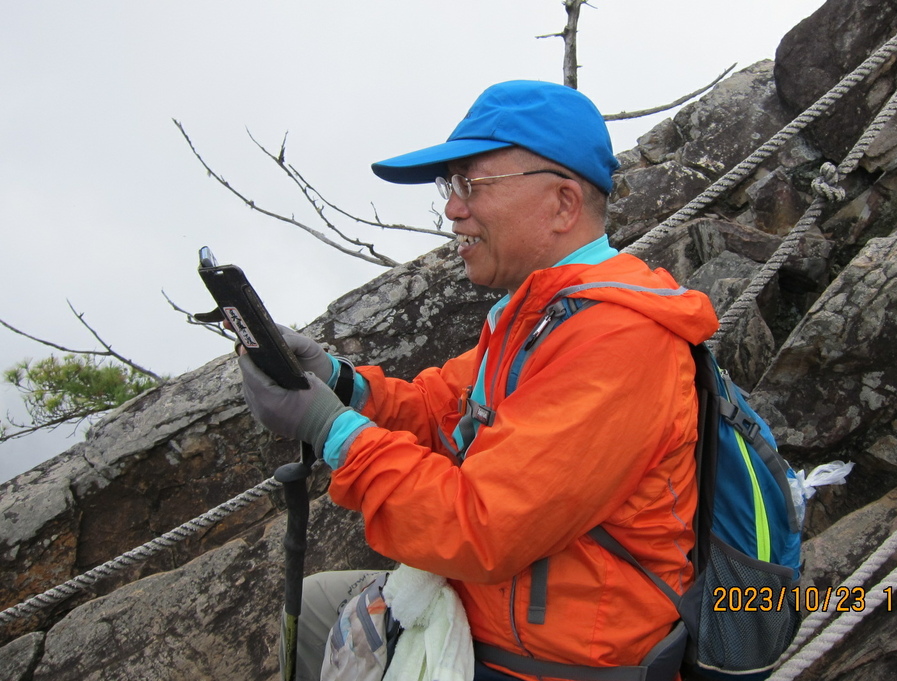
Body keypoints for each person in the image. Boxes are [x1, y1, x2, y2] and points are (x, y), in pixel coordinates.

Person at [239, 80, 719, 681]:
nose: (451, 208)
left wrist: (333, 432)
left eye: (471, 183)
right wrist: (342, 385)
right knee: (313, 606)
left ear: (563, 204)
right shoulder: (542, 315)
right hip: (492, 615)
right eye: (450, 186)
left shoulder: (618, 340)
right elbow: (444, 411)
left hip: (549, 663)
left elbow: (482, 527)